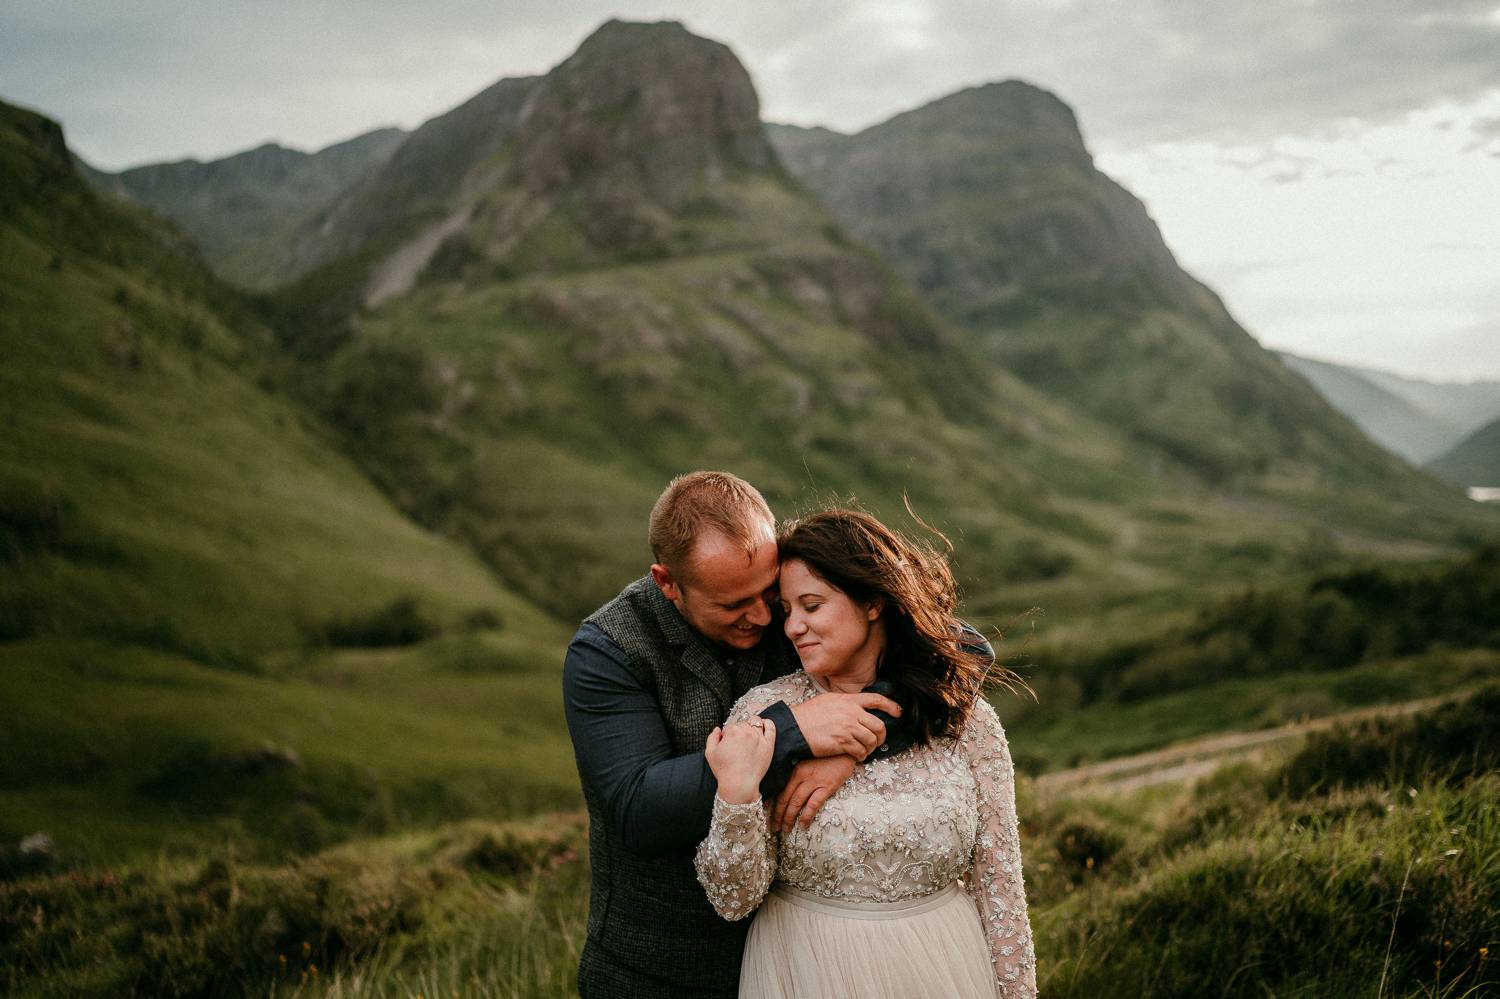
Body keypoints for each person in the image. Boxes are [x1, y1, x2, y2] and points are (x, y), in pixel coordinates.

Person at [563, 472, 909, 997]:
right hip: (655, 972)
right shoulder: (607, 651)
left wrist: (858, 738)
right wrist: (793, 735)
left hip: (796, 963)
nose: (763, 615)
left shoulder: (789, 595)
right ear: (667, 583)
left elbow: (963, 649)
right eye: (731, 605)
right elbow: (639, 809)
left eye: (767, 593)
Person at [694, 509, 1037, 998]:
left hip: (945, 968)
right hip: (808, 970)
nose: (793, 627)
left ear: (873, 602)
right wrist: (736, 792)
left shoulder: (965, 719)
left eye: (812, 605)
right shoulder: (763, 715)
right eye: (787, 610)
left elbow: (1000, 885)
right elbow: (732, 899)